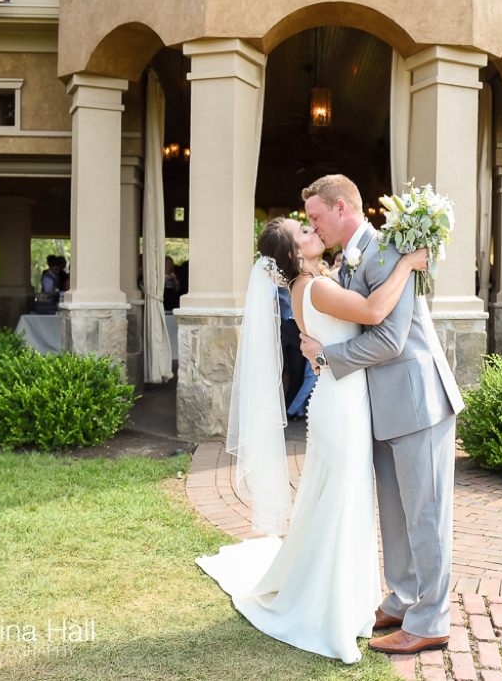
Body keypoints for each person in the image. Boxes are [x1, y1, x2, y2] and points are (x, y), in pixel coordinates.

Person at [195, 211, 430, 664]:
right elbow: (373, 312)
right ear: (292, 253)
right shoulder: (316, 287)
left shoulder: (316, 281)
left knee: (340, 502)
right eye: (304, 232)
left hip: (339, 398)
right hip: (341, 406)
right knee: (344, 503)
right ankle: (334, 610)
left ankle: (345, 599)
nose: (313, 231)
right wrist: (406, 265)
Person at [298, 175, 464, 656]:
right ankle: (403, 599)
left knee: (427, 516)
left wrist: (328, 356)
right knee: (395, 513)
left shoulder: (389, 251)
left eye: (315, 217)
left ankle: (431, 620)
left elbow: (390, 339)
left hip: (418, 402)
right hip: (382, 408)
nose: (313, 225)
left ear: (343, 208)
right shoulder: (350, 258)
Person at [277, 284, 305, 413]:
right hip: (283, 324)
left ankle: (289, 408)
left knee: (297, 370)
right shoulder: (278, 278)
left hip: (300, 327)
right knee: (279, 367)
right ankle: (276, 405)